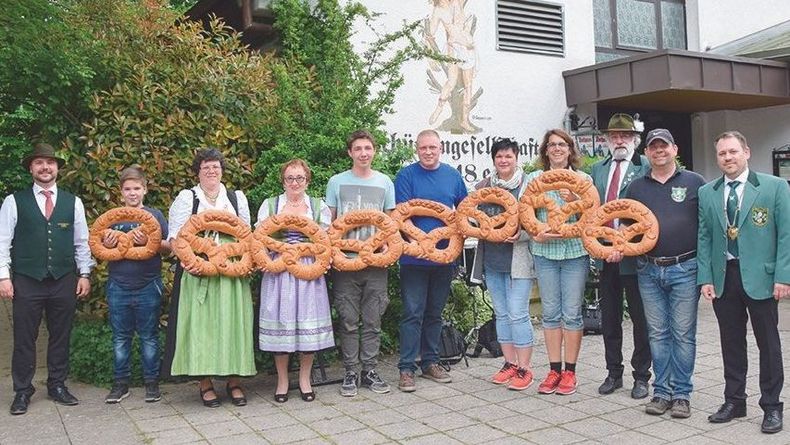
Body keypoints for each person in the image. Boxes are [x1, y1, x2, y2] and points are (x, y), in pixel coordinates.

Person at [698, 131, 790, 434]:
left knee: (768, 344)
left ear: (746, 152)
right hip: (725, 276)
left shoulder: (774, 187)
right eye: (722, 153)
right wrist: (706, 278)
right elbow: (705, 238)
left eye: (733, 151)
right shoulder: (708, 192)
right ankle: (734, 400)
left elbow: (786, 235)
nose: (728, 157)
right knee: (731, 343)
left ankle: (772, 406)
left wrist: (783, 276)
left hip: (761, 277)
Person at [0, 142, 95, 415]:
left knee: (60, 335)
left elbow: (82, 242)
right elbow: (2, 242)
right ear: (31, 168)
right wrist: (4, 277)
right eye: (39, 163)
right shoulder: (13, 201)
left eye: (50, 163)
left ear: (57, 169)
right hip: (27, 280)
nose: (45, 167)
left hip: (63, 279)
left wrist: (85, 273)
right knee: (24, 337)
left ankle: (57, 384)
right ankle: (22, 390)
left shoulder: (72, 201)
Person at [623, 129, 705, 418]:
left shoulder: (695, 183)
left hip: (686, 267)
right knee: (657, 333)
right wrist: (617, 243)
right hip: (648, 268)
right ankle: (661, 392)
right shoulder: (635, 187)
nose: (659, 151)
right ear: (646, 153)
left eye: (664, 146)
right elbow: (626, 229)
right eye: (653, 147)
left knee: (683, 334)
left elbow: (706, 229)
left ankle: (681, 394)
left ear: (675, 149)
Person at [163, 148, 255, 408]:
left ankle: (235, 381)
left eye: (215, 166)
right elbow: (175, 238)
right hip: (198, 268)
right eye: (206, 167)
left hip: (231, 269)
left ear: (222, 170)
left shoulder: (236, 198)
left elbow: (246, 236)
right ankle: (205, 384)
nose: (212, 171)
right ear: (197, 171)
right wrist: (190, 262)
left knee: (232, 324)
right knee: (201, 328)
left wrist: (245, 263)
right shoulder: (187, 198)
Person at [395, 129, 468, 392]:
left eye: (432, 147)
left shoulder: (452, 176)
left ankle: (430, 362)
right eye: (423, 148)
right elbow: (402, 216)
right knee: (412, 313)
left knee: (434, 313)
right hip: (413, 258)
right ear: (417, 149)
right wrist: (420, 244)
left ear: (441, 148)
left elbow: (464, 212)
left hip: (443, 259)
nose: (428, 152)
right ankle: (406, 368)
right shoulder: (406, 176)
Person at [325, 130, 396, 397]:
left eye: (368, 148)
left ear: (374, 151)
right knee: (348, 320)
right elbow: (330, 223)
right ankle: (350, 372)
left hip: (377, 261)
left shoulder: (384, 182)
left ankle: (370, 370)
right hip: (345, 261)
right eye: (358, 149)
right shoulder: (336, 182)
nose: (363, 153)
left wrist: (388, 250)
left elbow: (390, 222)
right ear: (350, 153)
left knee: (373, 319)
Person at [258, 159, 334, 403]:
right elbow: (259, 238)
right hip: (278, 271)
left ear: (307, 180)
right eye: (290, 178)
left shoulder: (317, 206)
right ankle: (282, 380)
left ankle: (304, 379)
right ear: (283, 181)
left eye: (299, 178)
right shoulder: (270, 205)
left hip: (308, 270)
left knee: (306, 324)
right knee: (281, 324)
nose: (294, 182)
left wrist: (306, 251)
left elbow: (326, 241)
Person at [591, 113, 652, 399]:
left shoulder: (646, 168)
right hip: (606, 255)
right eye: (614, 136)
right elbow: (591, 211)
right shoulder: (598, 170)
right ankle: (613, 372)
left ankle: (642, 376)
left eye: (624, 135)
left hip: (635, 257)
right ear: (607, 140)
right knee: (610, 318)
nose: (619, 140)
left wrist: (626, 243)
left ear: (635, 140)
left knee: (640, 320)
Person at [526, 129, 590, 396]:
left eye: (562, 144)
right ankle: (553, 370)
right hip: (545, 254)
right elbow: (525, 213)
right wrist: (535, 231)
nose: (557, 149)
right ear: (545, 150)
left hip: (575, 252)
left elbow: (594, 215)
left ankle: (570, 372)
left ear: (570, 149)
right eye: (552, 145)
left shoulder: (582, 179)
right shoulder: (534, 179)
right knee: (551, 314)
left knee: (572, 314)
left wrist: (575, 200)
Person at [469, 138, 536, 391]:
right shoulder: (482, 187)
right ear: (493, 159)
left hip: (518, 259)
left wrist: (521, 234)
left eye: (508, 156)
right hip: (493, 259)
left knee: (518, 313)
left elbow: (537, 221)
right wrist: (478, 228)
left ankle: (525, 367)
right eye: (499, 156)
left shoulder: (528, 186)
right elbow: (472, 219)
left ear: (516, 157)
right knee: (502, 313)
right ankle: (509, 363)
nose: (503, 160)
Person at [102, 165, 170, 404]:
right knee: (120, 337)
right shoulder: (112, 219)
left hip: (148, 284)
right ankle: (121, 384)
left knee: (149, 336)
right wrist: (109, 244)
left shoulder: (155, 216)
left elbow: (168, 247)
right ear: (121, 192)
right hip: (118, 284)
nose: (132, 193)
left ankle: (152, 383)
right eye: (128, 189)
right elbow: (100, 249)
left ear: (145, 190)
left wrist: (150, 240)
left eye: (137, 188)